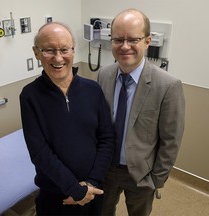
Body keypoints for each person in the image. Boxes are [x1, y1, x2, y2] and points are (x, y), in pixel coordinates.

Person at [20, 22, 115, 216]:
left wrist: (91, 185)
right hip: (56, 195)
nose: (58, 58)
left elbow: (107, 138)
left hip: (93, 190)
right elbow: (39, 152)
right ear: (36, 53)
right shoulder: (30, 96)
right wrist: (75, 190)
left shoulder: (93, 90)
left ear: (73, 50)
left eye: (64, 49)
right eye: (48, 50)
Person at [97, 9, 185, 216]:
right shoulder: (104, 75)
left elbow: (171, 140)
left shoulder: (168, 86)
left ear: (147, 41)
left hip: (141, 175)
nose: (124, 46)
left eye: (132, 39)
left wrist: (156, 179)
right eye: (118, 39)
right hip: (105, 169)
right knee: (100, 212)